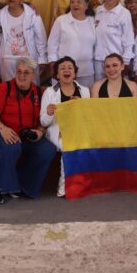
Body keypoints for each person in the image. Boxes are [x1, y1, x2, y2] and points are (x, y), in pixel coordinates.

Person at [0, 57, 56, 204]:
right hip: (2, 131)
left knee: (47, 150)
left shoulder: (39, 92)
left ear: (33, 75)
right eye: (19, 71)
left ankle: (22, 184)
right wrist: (2, 129)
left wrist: (40, 131)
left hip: (27, 135)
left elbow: (44, 119)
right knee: (12, 147)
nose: (21, 75)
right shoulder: (5, 88)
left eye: (26, 72)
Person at [40, 56, 91, 197]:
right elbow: (43, 122)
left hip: (78, 130)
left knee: (82, 143)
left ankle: (79, 184)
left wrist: (81, 106)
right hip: (57, 131)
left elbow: (88, 118)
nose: (66, 71)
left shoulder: (84, 91)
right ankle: (64, 186)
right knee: (67, 145)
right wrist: (49, 113)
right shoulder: (50, 92)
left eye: (70, 68)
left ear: (75, 73)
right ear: (57, 75)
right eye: (62, 68)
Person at [0, 0, 48, 82]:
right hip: (7, 60)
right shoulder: (0, 15)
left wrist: (42, 58)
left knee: (30, 88)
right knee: (9, 88)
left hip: (28, 59)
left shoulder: (32, 14)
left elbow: (40, 37)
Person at [48, 0, 96, 88]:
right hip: (64, 71)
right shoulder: (61, 21)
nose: (75, 4)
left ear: (86, 6)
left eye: (79, 2)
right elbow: (52, 45)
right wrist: (53, 66)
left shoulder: (93, 20)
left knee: (85, 96)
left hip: (86, 72)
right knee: (61, 96)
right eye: (72, 2)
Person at [93, 0, 135, 80]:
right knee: (99, 88)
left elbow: (128, 39)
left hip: (116, 62)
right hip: (98, 61)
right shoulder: (97, 11)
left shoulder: (124, 13)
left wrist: (126, 61)